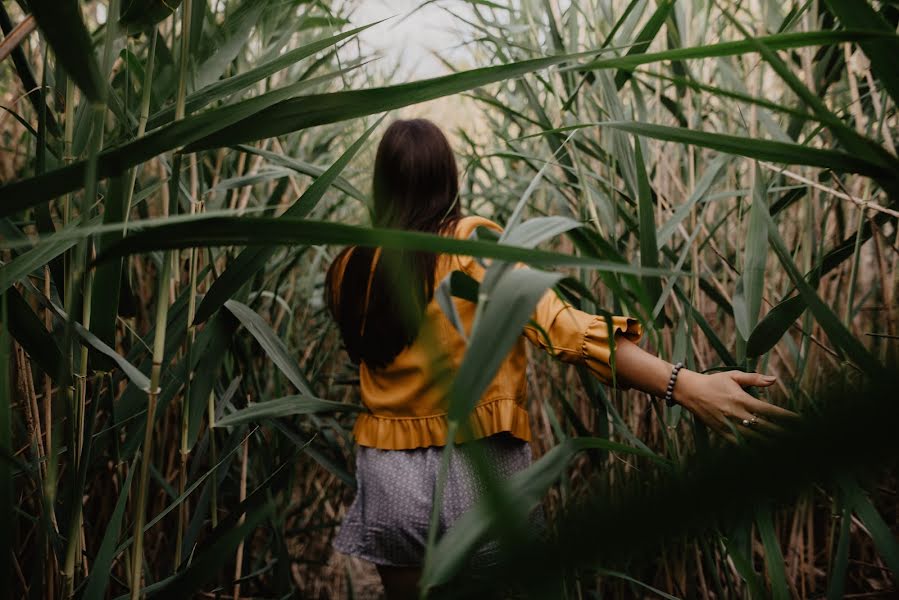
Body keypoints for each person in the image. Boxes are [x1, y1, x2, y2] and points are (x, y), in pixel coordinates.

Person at [324, 118, 797, 599]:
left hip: (388, 474)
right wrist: (684, 383)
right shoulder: (468, 243)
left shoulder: (351, 264)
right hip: (476, 463)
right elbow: (560, 326)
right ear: (448, 180)